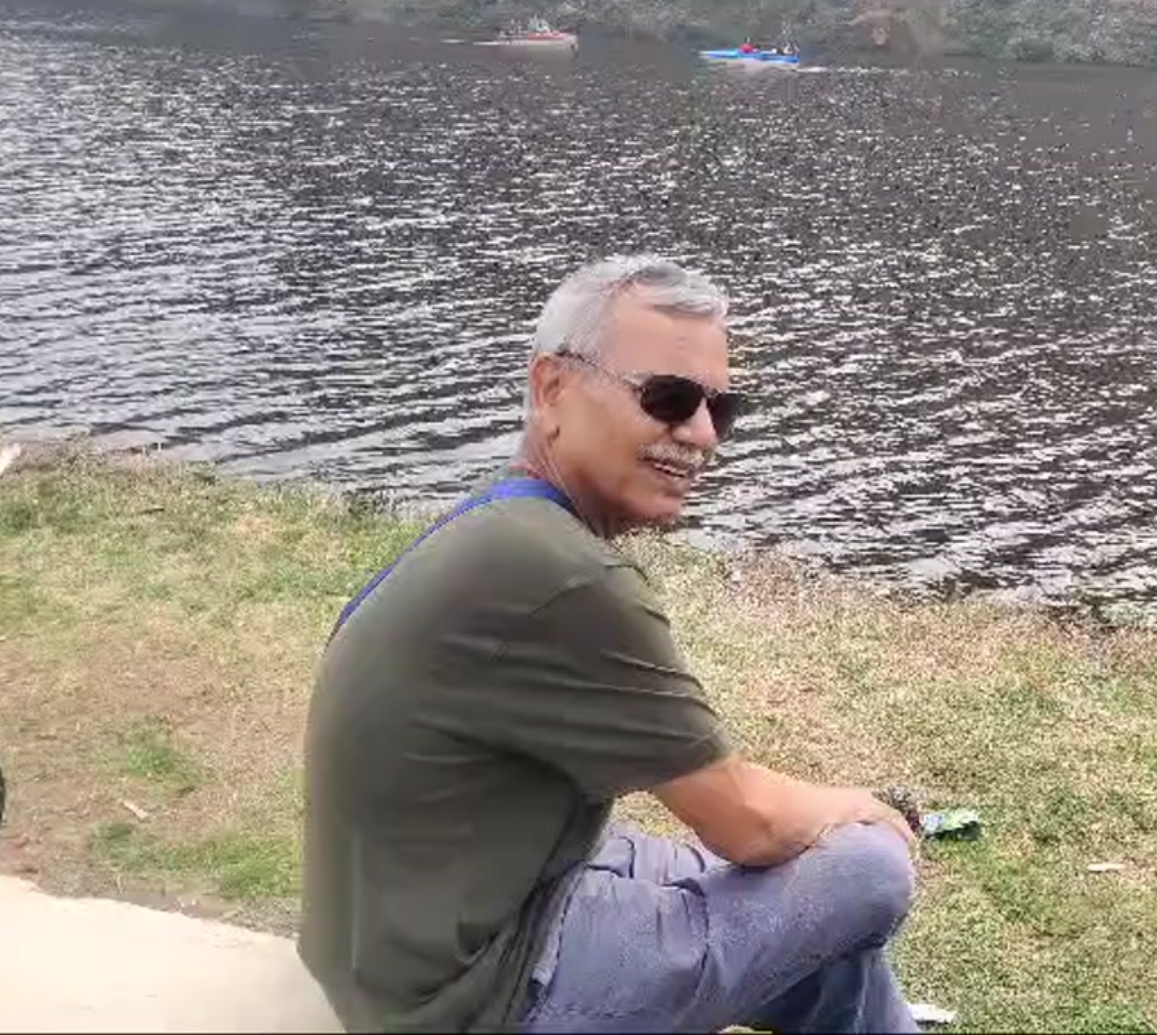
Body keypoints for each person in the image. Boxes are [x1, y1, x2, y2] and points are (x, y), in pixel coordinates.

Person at [299, 256, 922, 1035]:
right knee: (868, 869)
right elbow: (747, 821)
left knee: (830, 949)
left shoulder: (502, 524)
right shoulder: (564, 576)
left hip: (407, 935)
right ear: (553, 389)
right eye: (668, 398)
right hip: (464, 995)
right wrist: (864, 811)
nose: (701, 435)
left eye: (720, 409)